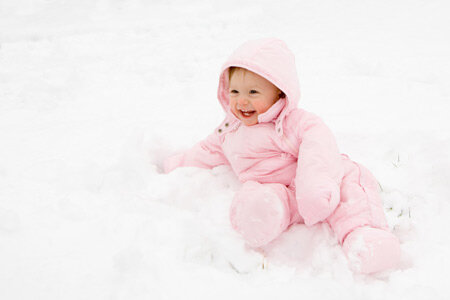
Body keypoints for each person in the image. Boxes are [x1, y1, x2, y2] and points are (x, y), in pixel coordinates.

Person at [163, 38, 401, 274]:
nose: (241, 101)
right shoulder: (229, 128)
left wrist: (314, 183)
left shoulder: (292, 121)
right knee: (259, 197)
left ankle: (365, 236)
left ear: (279, 92)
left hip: (317, 179)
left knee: (350, 188)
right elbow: (208, 150)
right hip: (278, 190)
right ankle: (261, 217)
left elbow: (318, 141)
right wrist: (176, 164)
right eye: (234, 91)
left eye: (253, 92)